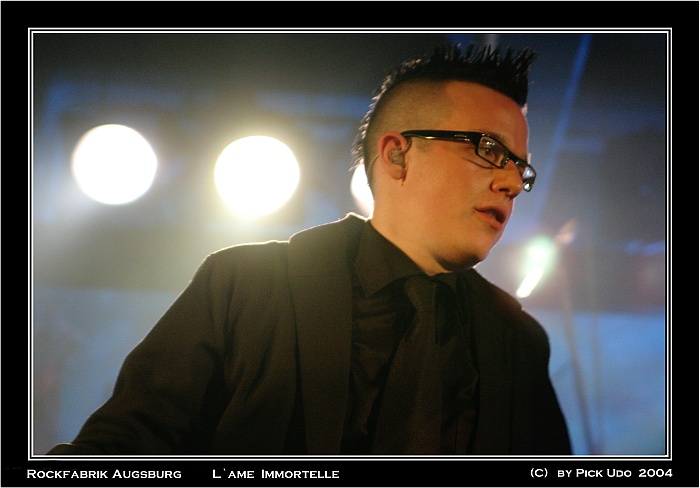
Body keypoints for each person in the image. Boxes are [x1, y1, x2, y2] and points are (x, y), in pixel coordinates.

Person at [47, 42, 572, 455]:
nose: (511, 182)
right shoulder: (245, 287)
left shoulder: (518, 341)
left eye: (520, 168)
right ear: (398, 155)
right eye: (489, 149)